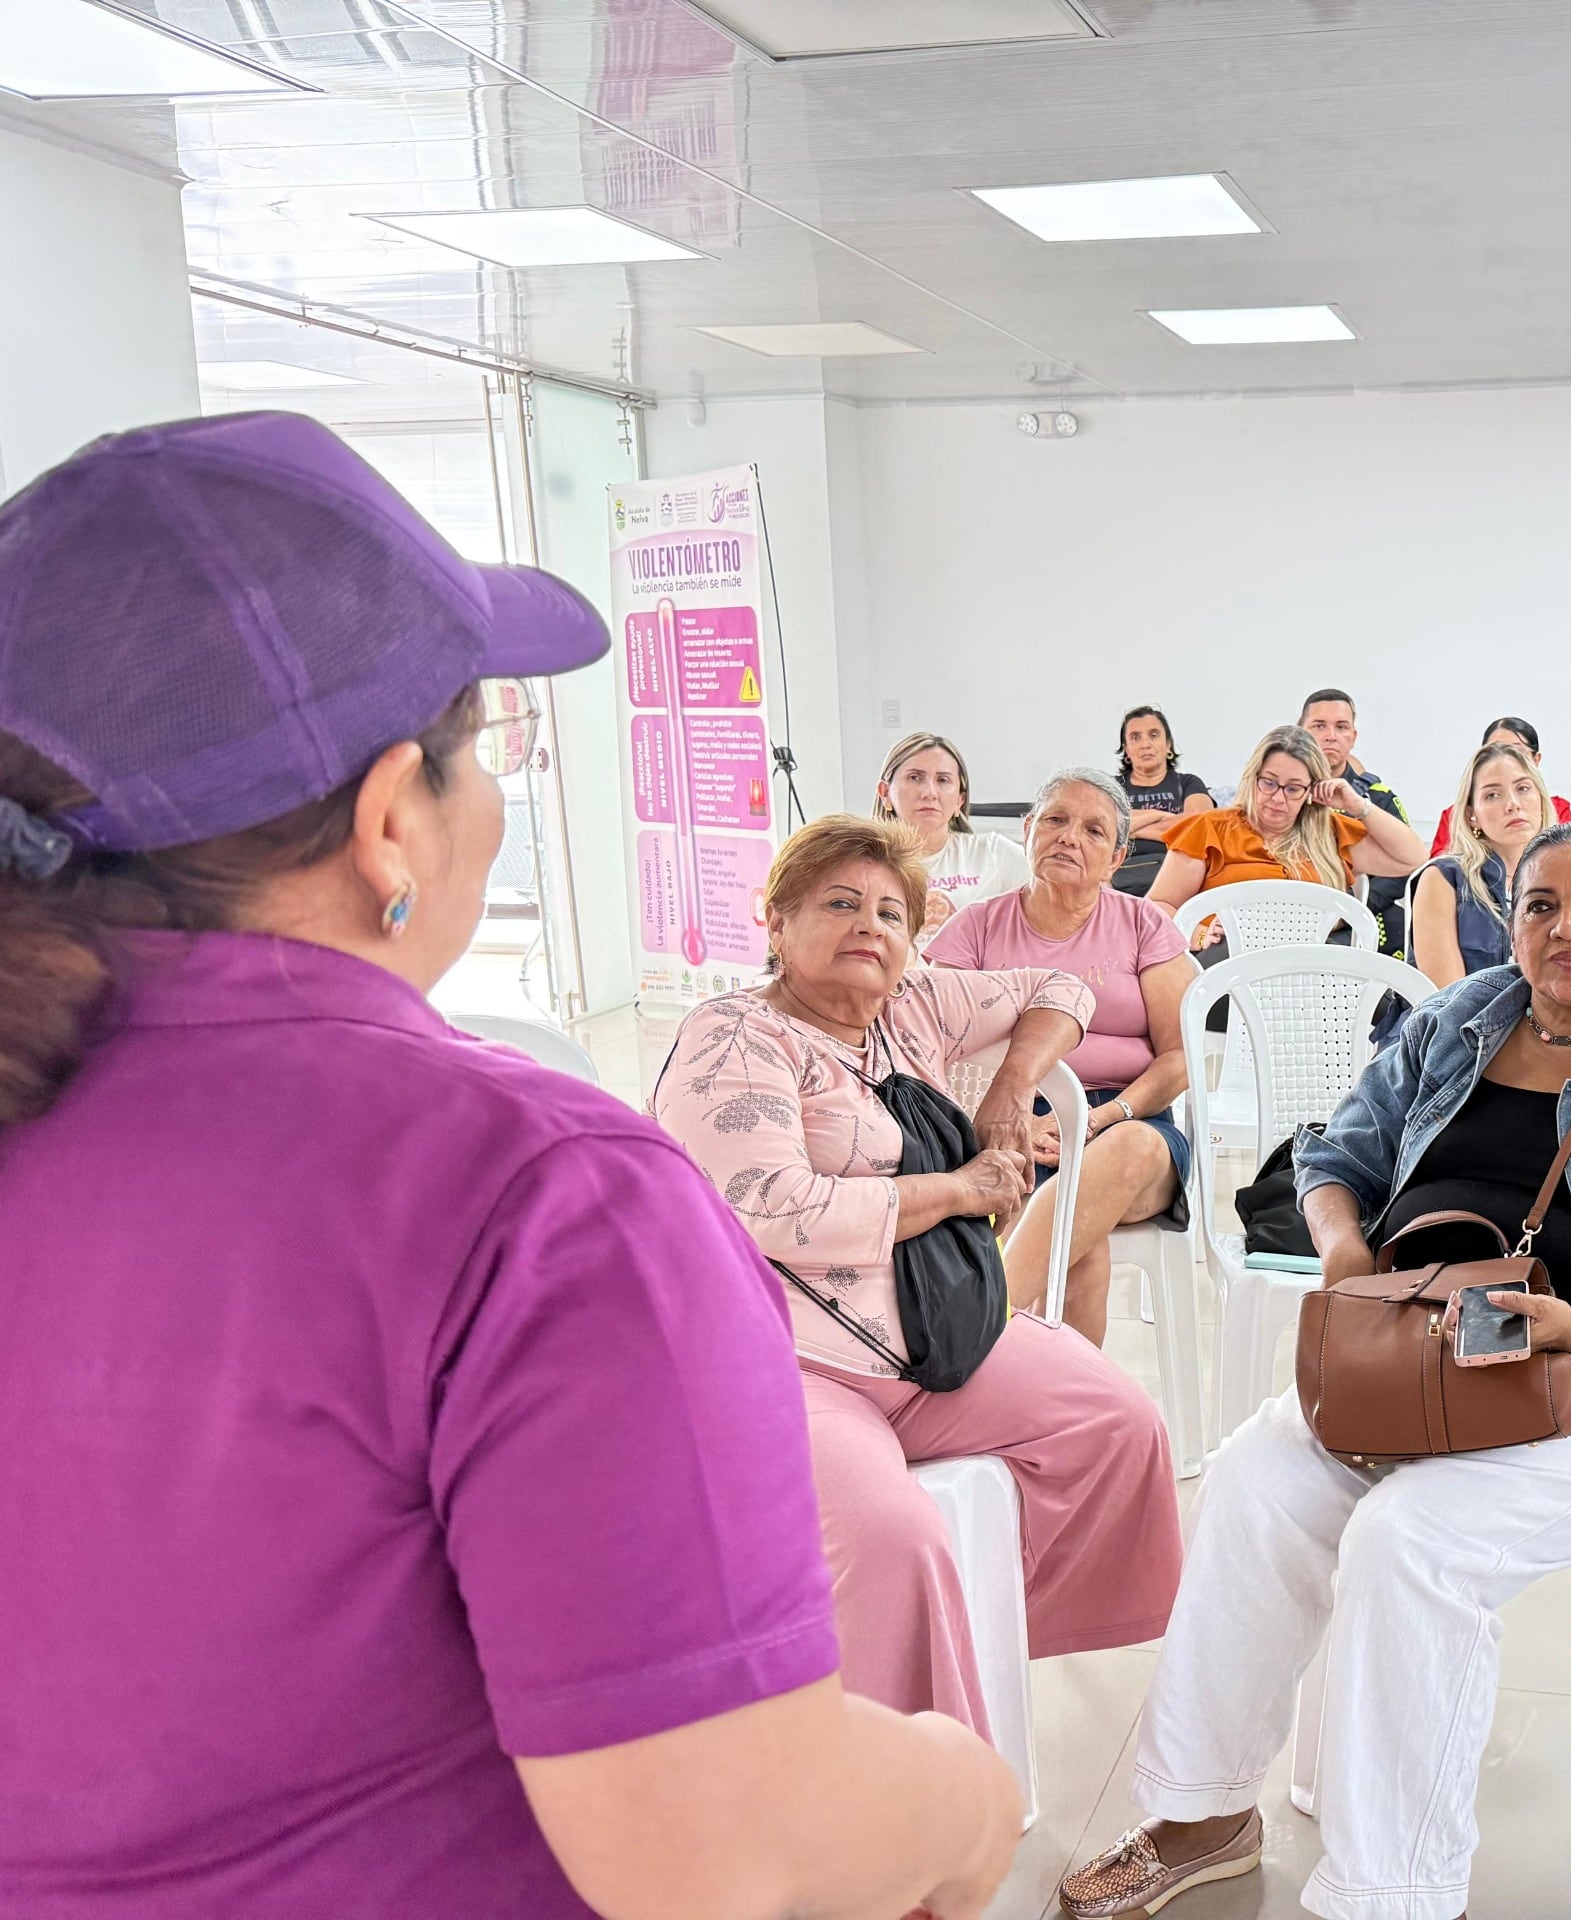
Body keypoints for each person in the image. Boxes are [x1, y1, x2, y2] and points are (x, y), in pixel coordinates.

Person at [0, 413, 1018, 1918]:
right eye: (485, 751)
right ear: (392, 820)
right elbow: (724, 1843)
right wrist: (963, 1795)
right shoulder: (534, 1196)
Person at [1055, 822, 1571, 1920]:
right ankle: (1203, 1811)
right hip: (1421, 1346)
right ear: (1514, 922)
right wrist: (1348, 1254)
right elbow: (1331, 1157)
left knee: (1412, 1540)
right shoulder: (1460, 1018)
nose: (1566, 929)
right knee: (1257, 1478)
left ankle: (1390, 1895)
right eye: (1541, 905)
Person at [652, 813, 1184, 1740]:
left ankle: (971, 1645)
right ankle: (897, 1789)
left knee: (1119, 1424)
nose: (871, 926)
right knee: (894, 1543)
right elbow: (772, 1208)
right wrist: (957, 1190)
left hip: (931, 1333)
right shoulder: (734, 1037)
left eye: (892, 913)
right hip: (784, 1360)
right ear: (776, 923)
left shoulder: (914, 1004)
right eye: (840, 904)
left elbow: (1065, 986)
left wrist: (1010, 1089)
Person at [935, 770, 1196, 1346]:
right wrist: (1012, 1116)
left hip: (1128, 1120)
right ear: (1028, 830)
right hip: (1006, 1117)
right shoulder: (974, 927)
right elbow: (930, 1037)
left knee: (1123, 1153)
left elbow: (1179, 1060)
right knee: (1082, 1251)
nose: (1068, 837)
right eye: (1054, 819)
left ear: (1116, 857)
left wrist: (1097, 1120)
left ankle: (979, 1323)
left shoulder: (1143, 924)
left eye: (1093, 830)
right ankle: (1069, 1408)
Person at [1146, 723, 1425, 940]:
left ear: (1310, 791)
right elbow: (1159, 905)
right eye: (1268, 783)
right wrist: (1199, 934)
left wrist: (1357, 805)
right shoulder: (1211, 829)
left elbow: (1412, 859)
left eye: (1293, 788)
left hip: (1306, 969)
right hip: (1225, 962)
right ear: (1252, 777)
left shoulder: (1328, 834)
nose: (1278, 798)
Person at [1410, 740, 1554, 987]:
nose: (1512, 804)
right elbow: (1448, 1001)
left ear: (1540, 800)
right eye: (1492, 795)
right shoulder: (1443, 877)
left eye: (1523, 788)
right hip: (1460, 1022)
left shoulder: (1564, 878)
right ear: (1471, 816)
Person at [875, 730, 1032, 941]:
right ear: (885, 793)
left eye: (943, 780)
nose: (929, 792)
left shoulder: (993, 852)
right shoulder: (862, 864)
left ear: (960, 800)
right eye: (915, 777)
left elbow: (1059, 899)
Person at [1300, 687, 1415, 952]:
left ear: (1353, 737)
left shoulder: (1378, 799)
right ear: (1302, 733)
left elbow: (1406, 867)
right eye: (1319, 726)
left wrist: (1348, 911)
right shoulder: (1282, 798)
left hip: (1364, 925)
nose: (1331, 736)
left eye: (1341, 727)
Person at [1427, 715, 1571, 856]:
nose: (1505, 759)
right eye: (1492, 796)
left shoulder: (1557, 808)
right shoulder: (1456, 816)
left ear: (1536, 760)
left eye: (1517, 752)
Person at [1112, 705, 1212, 897]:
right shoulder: (1112, 787)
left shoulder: (1189, 783)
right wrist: (1164, 817)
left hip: (1181, 878)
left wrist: (1128, 828)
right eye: (1135, 737)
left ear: (1168, 745)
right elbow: (1105, 826)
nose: (1145, 744)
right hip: (1118, 879)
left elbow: (1200, 828)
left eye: (1154, 735)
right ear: (1126, 750)